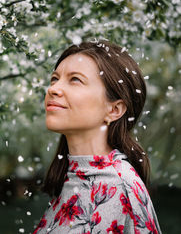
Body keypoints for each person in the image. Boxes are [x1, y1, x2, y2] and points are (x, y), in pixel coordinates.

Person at [33, 39, 161, 234]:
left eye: (75, 79)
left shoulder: (117, 188)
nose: (53, 89)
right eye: (54, 78)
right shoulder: (74, 176)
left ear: (114, 109)